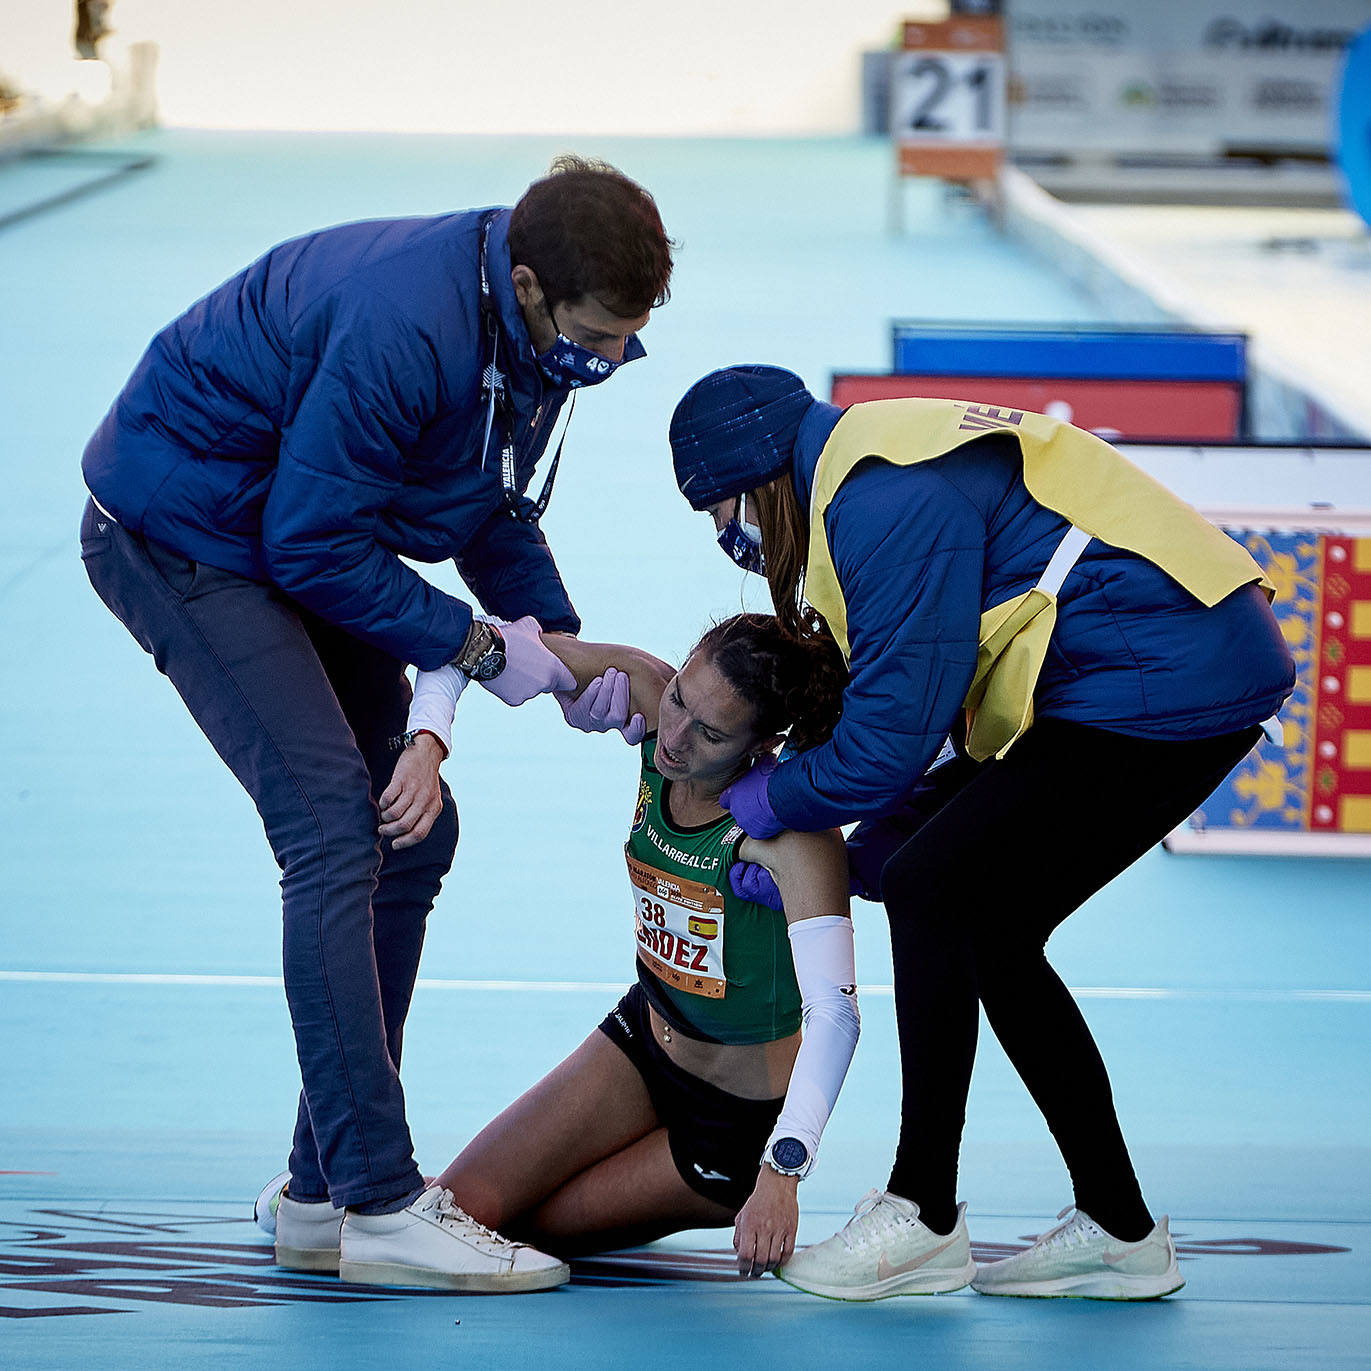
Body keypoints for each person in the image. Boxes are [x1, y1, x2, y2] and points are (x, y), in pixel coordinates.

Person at [79, 157, 674, 1293]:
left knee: (415, 837)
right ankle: (381, 1202)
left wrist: (561, 648)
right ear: (534, 284)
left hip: (280, 528)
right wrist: (490, 653)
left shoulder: (526, 325)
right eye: (591, 338)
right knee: (333, 835)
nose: (599, 363)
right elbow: (312, 543)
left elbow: (486, 500)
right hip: (184, 533)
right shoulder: (406, 325)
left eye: (622, 345)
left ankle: (317, 1196)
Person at [668, 365, 1296, 1301]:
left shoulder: (880, 499)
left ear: (761, 478)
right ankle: (1117, 1227)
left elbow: (885, 748)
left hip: (1164, 677)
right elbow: (900, 713)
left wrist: (767, 803)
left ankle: (923, 1210)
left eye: (725, 513)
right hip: (1140, 670)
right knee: (968, 911)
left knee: (936, 888)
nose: (733, 538)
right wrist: (846, 852)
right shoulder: (862, 471)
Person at [356, 613, 867, 1285]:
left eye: (710, 734)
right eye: (682, 696)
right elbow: (475, 644)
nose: (675, 740)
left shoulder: (790, 834)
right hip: (641, 1040)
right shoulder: (653, 697)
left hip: (724, 1126)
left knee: (509, 1233)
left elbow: (835, 1016)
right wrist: (428, 739)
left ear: (761, 743)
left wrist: (782, 1171)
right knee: (454, 1218)